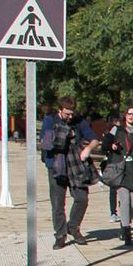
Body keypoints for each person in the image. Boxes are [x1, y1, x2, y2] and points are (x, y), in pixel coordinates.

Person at [38, 96, 99, 249]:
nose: (70, 117)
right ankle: (60, 235)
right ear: (60, 111)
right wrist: (65, 133)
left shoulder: (78, 120)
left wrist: (87, 149)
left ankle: (73, 226)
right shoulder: (50, 120)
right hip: (56, 166)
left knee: (82, 199)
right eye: (67, 114)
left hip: (76, 166)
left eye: (72, 113)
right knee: (58, 204)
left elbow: (94, 139)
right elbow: (45, 143)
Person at [101, 105, 133, 247]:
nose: (131, 116)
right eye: (129, 114)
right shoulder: (117, 130)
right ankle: (126, 231)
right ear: (125, 115)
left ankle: (125, 222)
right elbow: (105, 144)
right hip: (120, 169)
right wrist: (112, 147)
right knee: (124, 199)